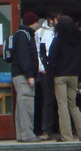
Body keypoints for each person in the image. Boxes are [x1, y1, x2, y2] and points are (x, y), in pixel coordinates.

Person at [49, 15, 81, 143]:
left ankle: (66, 136)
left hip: (60, 76)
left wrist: (50, 77)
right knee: (73, 105)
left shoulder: (58, 40)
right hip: (74, 76)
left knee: (62, 106)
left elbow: (52, 59)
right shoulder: (79, 41)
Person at [9, 11, 41, 142]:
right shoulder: (23, 35)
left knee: (21, 105)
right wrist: (30, 75)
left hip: (20, 74)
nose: (38, 24)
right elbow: (24, 56)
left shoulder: (20, 34)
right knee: (26, 105)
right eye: (36, 22)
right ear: (31, 23)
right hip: (23, 75)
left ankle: (22, 135)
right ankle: (28, 135)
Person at [34, 12, 58, 139]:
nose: (58, 22)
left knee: (62, 100)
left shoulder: (60, 33)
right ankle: (46, 130)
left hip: (59, 70)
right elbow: (36, 52)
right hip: (46, 71)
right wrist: (42, 69)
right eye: (57, 19)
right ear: (51, 19)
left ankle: (65, 129)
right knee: (47, 100)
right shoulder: (39, 33)